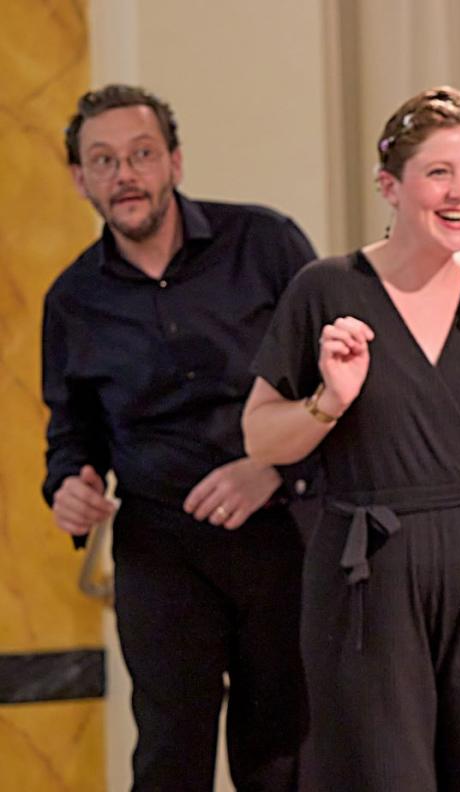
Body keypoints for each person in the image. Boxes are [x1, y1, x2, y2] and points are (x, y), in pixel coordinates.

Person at [242, 86, 460, 791]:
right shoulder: (324, 289)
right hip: (368, 576)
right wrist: (328, 402)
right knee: (377, 773)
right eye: (439, 172)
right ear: (390, 186)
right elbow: (260, 438)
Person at [42, 84, 315, 789]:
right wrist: (69, 486)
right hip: (159, 547)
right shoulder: (72, 300)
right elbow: (72, 436)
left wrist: (272, 471)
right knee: (169, 750)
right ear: (80, 179)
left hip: (280, 532)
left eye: (141, 154)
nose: (124, 174)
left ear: (175, 163)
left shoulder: (265, 243)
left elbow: (337, 389)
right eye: (103, 160)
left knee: (280, 750)